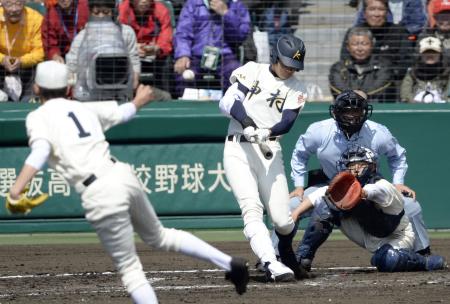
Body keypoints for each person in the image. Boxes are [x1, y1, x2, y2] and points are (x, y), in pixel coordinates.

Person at [5, 60, 249, 303]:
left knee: (131, 271)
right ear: (67, 88)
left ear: (36, 89)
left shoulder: (38, 117)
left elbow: (40, 151)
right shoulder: (81, 108)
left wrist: (16, 189)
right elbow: (122, 113)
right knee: (161, 236)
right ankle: (230, 263)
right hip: (121, 174)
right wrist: (138, 101)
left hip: (99, 192)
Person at [287, 90, 432, 271]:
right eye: (347, 110)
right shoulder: (319, 131)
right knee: (290, 206)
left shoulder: (378, 133)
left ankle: (423, 253)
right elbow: (300, 155)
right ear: (336, 111)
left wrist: (398, 183)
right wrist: (299, 186)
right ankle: (277, 257)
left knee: (411, 205)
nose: (352, 115)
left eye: (356, 110)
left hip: (368, 186)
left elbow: (397, 156)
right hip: (330, 184)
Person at [219, 34, 308, 282]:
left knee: (282, 220)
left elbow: (288, 121)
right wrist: (246, 123)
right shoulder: (252, 70)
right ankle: (270, 262)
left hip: (269, 150)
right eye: (286, 63)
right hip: (238, 148)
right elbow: (228, 100)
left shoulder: (298, 88)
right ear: (275, 57)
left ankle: (285, 249)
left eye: (294, 65)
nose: (290, 69)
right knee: (252, 208)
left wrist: (266, 131)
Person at [290, 145, 447, 272]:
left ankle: (425, 262)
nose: (355, 170)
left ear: (372, 167)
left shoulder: (383, 186)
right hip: (364, 231)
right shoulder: (344, 187)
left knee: (388, 260)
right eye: (350, 166)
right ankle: (302, 257)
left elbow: (374, 191)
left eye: (360, 165)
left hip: (395, 236)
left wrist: (358, 192)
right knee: (327, 204)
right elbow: (317, 195)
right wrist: (296, 213)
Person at [65, 0, 140, 101]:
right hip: (91, 96)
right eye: (96, 13)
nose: (101, 16)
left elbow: (133, 59)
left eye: (105, 12)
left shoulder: (126, 33)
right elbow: (71, 66)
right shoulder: (82, 37)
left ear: (114, 12)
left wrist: (135, 77)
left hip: (120, 93)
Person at [173, 0, 251, 97]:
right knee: (183, 73)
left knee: (237, 75)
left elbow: (240, 36)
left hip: (225, 57)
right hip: (195, 56)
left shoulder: (237, 5)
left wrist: (226, 13)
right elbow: (182, 32)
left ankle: (230, 107)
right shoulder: (193, 4)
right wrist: (183, 55)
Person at [340, 0, 415, 95]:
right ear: (364, 12)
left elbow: (406, 62)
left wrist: (384, 74)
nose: (376, 14)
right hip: (358, 87)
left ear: (387, 12)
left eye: (381, 9)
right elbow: (344, 61)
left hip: (392, 88)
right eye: (372, 9)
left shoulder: (399, 32)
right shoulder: (354, 33)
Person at [118, 0, 173, 100]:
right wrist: (133, 48)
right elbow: (118, 37)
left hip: (153, 53)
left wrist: (157, 48)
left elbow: (166, 35)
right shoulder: (122, 10)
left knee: (167, 60)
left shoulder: (160, 10)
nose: (143, 1)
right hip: (130, 52)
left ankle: (166, 96)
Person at [329, 27, 393, 102]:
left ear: (372, 45)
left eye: (364, 44)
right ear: (348, 47)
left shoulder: (383, 66)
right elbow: (337, 86)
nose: (360, 49)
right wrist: (354, 96)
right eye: (355, 44)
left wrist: (363, 95)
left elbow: (381, 85)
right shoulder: (338, 67)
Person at [0, 0, 44, 101]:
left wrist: (22, 61)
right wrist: (2, 59)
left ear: (24, 2)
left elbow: (40, 52)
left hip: (27, 67)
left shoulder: (35, 19)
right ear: (2, 3)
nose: (14, 9)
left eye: (18, 3)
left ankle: (28, 101)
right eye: (9, 4)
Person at [400, 36, 450, 103]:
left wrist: (440, 101)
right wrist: (416, 102)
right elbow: (405, 94)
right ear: (420, 54)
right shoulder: (412, 72)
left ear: (440, 54)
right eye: (426, 52)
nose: (430, 55)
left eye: (434, 52)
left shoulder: (447, 72)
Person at [354, 0, 427, 35]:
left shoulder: (413, 1)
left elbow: (418, 23)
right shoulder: (374, 1)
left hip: (407, 37)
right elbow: (360, 23)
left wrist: (400, 31)